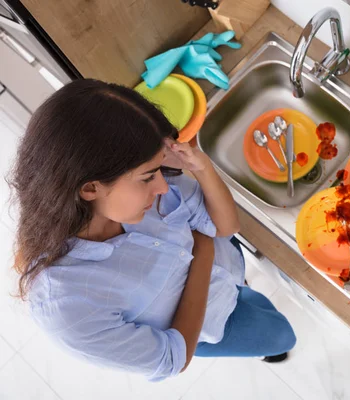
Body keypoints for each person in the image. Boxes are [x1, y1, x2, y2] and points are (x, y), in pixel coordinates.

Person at [8, 79, 296, 381]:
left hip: (228, 267)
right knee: (281, 336)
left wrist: (202, 173)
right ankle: (267, 349)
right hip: (213, 323)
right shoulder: (67, 307)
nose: (161, 186)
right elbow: (171, 356)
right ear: (90, 188)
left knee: (249, 292)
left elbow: (223, 227)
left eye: (158, 169)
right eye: (147, 177)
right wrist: (203, 250)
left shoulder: (148, 182)